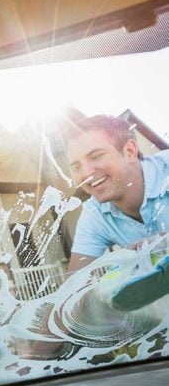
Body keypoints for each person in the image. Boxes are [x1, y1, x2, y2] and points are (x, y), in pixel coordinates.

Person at [66, 115, 169, 272]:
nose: (86, 173)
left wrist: (161, 243)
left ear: (130, 151)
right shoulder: (94, 213)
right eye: (76, 167)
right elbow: (75, 283)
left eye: (96, 156)